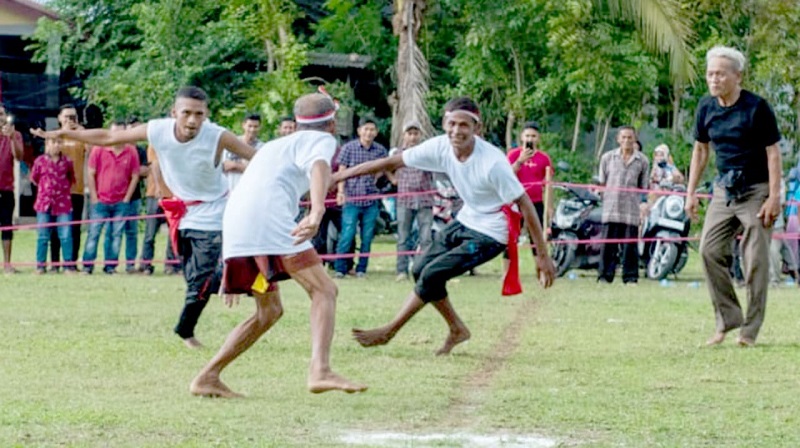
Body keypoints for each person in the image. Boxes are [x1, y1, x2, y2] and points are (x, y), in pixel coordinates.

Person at [31, 86, 256, 349]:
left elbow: (260, 157)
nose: (192, 120)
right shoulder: (157, 130)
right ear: (174, 113)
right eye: (186, 113)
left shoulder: (218, 136)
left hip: (213, 212)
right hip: (182, 212)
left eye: (199, 114)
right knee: (193, 275)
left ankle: (187, 329)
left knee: (201, 278)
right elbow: (108, 137)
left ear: (206, 115)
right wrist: (65, 132)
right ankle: (240, 279)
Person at [332, 97, 556, 356]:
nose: (457, 131)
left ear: (477, 128)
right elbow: (390, 163)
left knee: (432, 274)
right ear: (444, 124)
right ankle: (457, 329)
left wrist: (542, 256)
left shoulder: (493, 162)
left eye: (464, 125)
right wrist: (339, 176)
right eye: (452, 124)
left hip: (493, 232)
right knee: (419, 269)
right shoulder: (440, 147)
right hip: (467, 219)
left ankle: (389, 331)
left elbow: (526, 205)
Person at [189, 92, 367, 398]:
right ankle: (320, 370)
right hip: (268, 220)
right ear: (332, 123)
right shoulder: (321, 140)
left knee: (268, 311)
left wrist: (230, 258)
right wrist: (317, 211)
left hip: (238, 224)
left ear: (296, 124)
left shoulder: (275, 146)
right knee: (324, 290)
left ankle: (208, 376)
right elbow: (319, 167)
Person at [685, 46, 782, 347]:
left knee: (755, 260)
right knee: (708, 250)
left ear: (737, 76)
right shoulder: (706, 107)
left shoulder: (757, 108)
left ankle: (749, 332)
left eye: (720, 74)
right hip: (723, 190)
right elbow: (701, 150)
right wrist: (690, 193)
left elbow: (773, 152)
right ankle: (727, 319)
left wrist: (774, 196)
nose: (713, 79)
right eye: (710, 74)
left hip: (757, 191)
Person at [81, 121, 141, 274]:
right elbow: (91, 173)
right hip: (100, 201)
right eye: (114, 132)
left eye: (120, 132)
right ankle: (87, 265)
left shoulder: (131, 151)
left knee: (116, 235)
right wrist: (94, 197)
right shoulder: (98, 149)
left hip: (121, 202)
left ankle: (110, 266)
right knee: (93, 233)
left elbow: (135, 176)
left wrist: (127, 198)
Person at [333, 116, 388, 279]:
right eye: (366, 129)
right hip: (351, 199)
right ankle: (340, 268)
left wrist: (376, 177)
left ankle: (361, 269)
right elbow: (341, 172)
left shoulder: (380, 150)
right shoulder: (349, 148)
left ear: (376, 132)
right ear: (359, 131)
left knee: (367, 236)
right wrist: (340, 192)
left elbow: (384, 167)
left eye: (372, 130)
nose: (369, 133)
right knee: (347, 234)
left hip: (371, 199)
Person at [597, 126, 649, 285]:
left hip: (631, 209)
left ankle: (630, 277)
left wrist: (644, 203)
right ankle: (605, 276)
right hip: (611, 208)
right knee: (608, 245)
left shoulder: (642, 161)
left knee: (629, 246)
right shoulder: (607, 158)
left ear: (635, 140)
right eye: (624, 137)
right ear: (618, 139)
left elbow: (644, 187)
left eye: (630, 138)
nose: (627, 141)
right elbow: (601, 183)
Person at [505, 120, 553, 263]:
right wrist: (520, 160)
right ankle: (506, 272)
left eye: (533, 136)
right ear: (522, 137)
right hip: (515, 201)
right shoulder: (513, 155)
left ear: (538, 138)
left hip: (536, 202)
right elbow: (506, 176)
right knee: (511, 237)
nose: (530, 139)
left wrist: (550, 206)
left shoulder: (544, 158)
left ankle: (541, 269)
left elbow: (548, 184)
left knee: (537, 238)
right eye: (527, 136)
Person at [393, 120, 434, 282]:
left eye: (415, 133)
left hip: (425, 200)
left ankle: (422, 269)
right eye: (409, 133)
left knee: (426, 238)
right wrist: (394, 179)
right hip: (404, 200)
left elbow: (434, 172)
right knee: (403, 237)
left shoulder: (426, 153)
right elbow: (386, 169)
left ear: (420, 135)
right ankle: (401, 270)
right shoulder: (397, 153)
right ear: (404, 135)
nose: (412, 137)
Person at [50, 104, 88, 271]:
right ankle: (55, 262)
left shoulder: (81, 136)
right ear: (59, 118)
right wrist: (62, 133)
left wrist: (81, 132)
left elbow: (93, 151)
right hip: (58, 190)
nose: (69, 120)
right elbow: (49, 155)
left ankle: (71, 263)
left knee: (74, 227)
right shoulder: (54, 136)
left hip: (77, 189)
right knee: (55, 227)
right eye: (66, 117)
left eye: (73, 117)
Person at [30, 136, 75, 274]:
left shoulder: (67, 162)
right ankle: (40, 266)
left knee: (66, 235)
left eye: (59, 142)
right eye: (53, 142)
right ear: (47, 144)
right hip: (44, 203)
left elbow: (71, 178)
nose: (56, 145)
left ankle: (68, 265)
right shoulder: (39, 161)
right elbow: (34, 179)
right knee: (43, 236)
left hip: (63, 204)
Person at [138, 145, 179, 275]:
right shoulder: (154, 144)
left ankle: (171, 265)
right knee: (150, 233)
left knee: (173, 233)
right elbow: (154, 165)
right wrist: (157, 186)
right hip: (155, 195)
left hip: (173, 194)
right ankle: (146, 264)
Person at [0, 105, 24, 273]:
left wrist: (11, 139)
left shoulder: (15, 135)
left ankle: (7, 264)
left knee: (7, 226)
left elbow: (19, 156)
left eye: (1, 114)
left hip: (6, 188)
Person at [223, 113, 263, 192]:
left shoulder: (262, 148)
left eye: (255, 127)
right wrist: (245, 167)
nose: (252, 129)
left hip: (250, 191)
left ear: (260, 127)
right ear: (244, 125)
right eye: (250, 126)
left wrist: (235, 165)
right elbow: (223, 166)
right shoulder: (232, 143)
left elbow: (259, 171)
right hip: (229, 190)